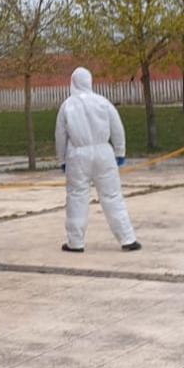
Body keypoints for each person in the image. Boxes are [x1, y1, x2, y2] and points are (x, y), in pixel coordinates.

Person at [55, 67, 141, 253]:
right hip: (104, 153)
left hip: (78, 155)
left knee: (77, 197)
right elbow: (117, 128)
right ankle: (128, 238)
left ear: (73, 82)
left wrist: (62, 159)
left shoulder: (67, 106)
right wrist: (120, 152)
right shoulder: (103, 102)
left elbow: (60, 136)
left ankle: (75, 242)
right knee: (112, 196)